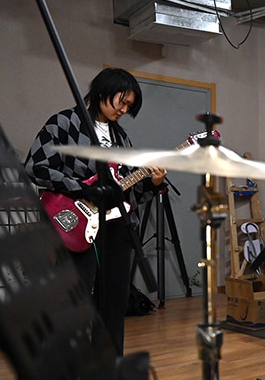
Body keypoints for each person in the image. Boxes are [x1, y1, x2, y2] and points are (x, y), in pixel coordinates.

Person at [25, 67, 166, 356]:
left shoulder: (121, 138)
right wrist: (81, 188)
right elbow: (35, 166)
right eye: (122, 101)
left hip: (115, 226)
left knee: (114, 300)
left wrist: (152, 183)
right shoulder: (64, 123)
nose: (124, 110)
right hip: (73, 222)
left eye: (129, 106)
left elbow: (127, 193)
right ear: (103, 91)